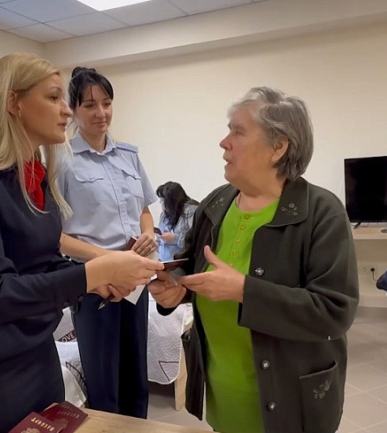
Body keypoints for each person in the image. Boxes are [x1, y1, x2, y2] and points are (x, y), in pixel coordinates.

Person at [0, 54, 163, 433]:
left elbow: (41, 262)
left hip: (36, 348)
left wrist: (97, 281)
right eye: (54, 98)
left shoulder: (34, 178)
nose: (67, 110)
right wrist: (92, 273)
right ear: (13, 102)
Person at [149, 87, 359, 433]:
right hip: (223, 396)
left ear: (279, 147)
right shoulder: (215, 204)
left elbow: (334, 311)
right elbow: (190, 262)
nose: (224, 142)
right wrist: (177, 287)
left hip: (290, 406)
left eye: (238, 132)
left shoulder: (322, 213)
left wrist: (244, 290)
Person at [57, 67, 157, 419]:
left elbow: (144, 210)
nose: (101, 113)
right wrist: (106, 260)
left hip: (134, 278)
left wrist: (148, 233)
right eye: (89, 105)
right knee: (104, 381)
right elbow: (55, 235)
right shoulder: (62, 161)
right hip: (94, 280)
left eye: (107, 103)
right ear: (73, 110)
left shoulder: (128, 155)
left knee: (136, 376)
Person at [156, 181, 199, 261]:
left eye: (162, 200)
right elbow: (159, 240)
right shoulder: (164, 214)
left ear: (171, 200)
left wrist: (174, 238)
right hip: (164, 261)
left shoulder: (191, 211)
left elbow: (196, 240)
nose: (161, 203)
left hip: (184, 263)